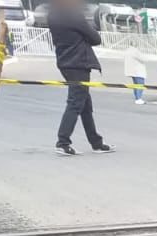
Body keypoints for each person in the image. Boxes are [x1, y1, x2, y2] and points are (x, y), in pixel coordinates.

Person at [47, 0, 111, 156]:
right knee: (76, 102)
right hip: (79, 62)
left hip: (64, 62)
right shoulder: (74, 15)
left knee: (84, 104)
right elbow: (96, 38)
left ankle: (96, 142)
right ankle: (63, 142)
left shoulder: (52, 15)